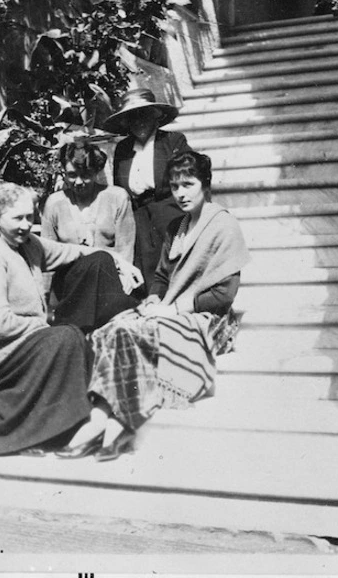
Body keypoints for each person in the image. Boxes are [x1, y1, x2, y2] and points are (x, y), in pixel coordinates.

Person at [55, 151, 250, 462]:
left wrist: (171, 310)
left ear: (206, 184)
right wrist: (155, 298)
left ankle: (119, 419)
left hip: (207, 317)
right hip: (170, 307)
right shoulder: (176, 227)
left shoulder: (222, 225)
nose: (181, 193)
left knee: (134, 334)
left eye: (188, 184)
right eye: (174, 186)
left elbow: (224, 295)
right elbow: (161, 276)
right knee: (114, 327)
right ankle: (102, 415)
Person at [0, 182, 140, 457]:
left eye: (29, 217)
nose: (25, 225)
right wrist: (41, 326)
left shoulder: (27, 244)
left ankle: (71, 422)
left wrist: (117, 259)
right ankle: (52, 429)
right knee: (66, 336)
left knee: (72, 332)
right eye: (17, 218)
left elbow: (71, 251)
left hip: (21, 343)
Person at [42, 140, 139, 326]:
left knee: (102, 262)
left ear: (96, 172)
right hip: (70, 286)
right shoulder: (54, 204)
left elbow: (125, 249)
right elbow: (46, 256)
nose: (78, 182)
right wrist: (44, 304)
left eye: (85, 175)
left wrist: (124, 282)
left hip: (109, 283)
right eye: (71, 175)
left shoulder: (117, 198)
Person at [104, 88, 193, 290]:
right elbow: (119, 189)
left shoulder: (172, 141)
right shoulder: (123, 149)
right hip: (137, 214)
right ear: (126, 123)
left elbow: (190, 178)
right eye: (132, 117)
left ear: (156, 116)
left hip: (170, 207)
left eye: (144, 114)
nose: (139, 121)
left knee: (173, 259)